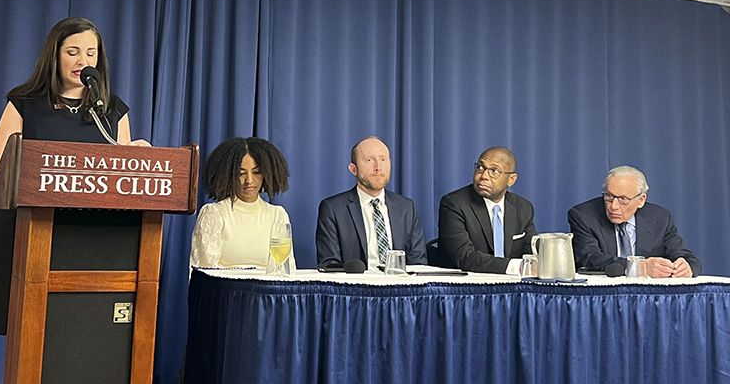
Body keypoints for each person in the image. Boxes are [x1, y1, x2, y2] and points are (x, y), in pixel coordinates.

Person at [0, 17, 149, 335]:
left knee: (77, 337)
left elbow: (122, 178)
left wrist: (139, 159)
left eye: (91, 53)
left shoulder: (113, 111)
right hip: (27, 233)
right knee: (28, 334)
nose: (82, 61)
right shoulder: (25, 103)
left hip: (89, 239)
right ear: (55, 55)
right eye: (72, 52)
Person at [568, 165, 701, 277]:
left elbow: (686, 257)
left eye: (623, 199)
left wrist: (686, 267)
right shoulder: (583, 215)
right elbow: (589, 258)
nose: (613, 206)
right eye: (609, 196)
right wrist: (638, 267)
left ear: (641, 200)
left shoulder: (661, 218)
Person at [315, 136, 426, 269]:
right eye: (369, 160)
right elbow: (329, 264)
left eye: (383, 159)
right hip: (355, 287)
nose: (378, 167)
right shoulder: (333, 209)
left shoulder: (407, 207)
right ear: (353, 169)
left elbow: (418, 262)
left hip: (399, 286)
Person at [189, 137, 294, 269]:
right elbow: (204, 274)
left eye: (256, 172)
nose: (249, 180)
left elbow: (286, 270)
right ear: (228, 176)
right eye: (241, 173)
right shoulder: (215, 214)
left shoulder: (277, 215)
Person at [438, 147, 536, 274]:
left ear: (511, 179)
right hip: (466, 287)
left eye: (494, 171)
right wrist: (519, 267)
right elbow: (464, 257)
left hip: (514, 287)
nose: (484, 176)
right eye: (480, 168)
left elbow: (531, 252)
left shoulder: (523, 207)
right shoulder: (454, 204)